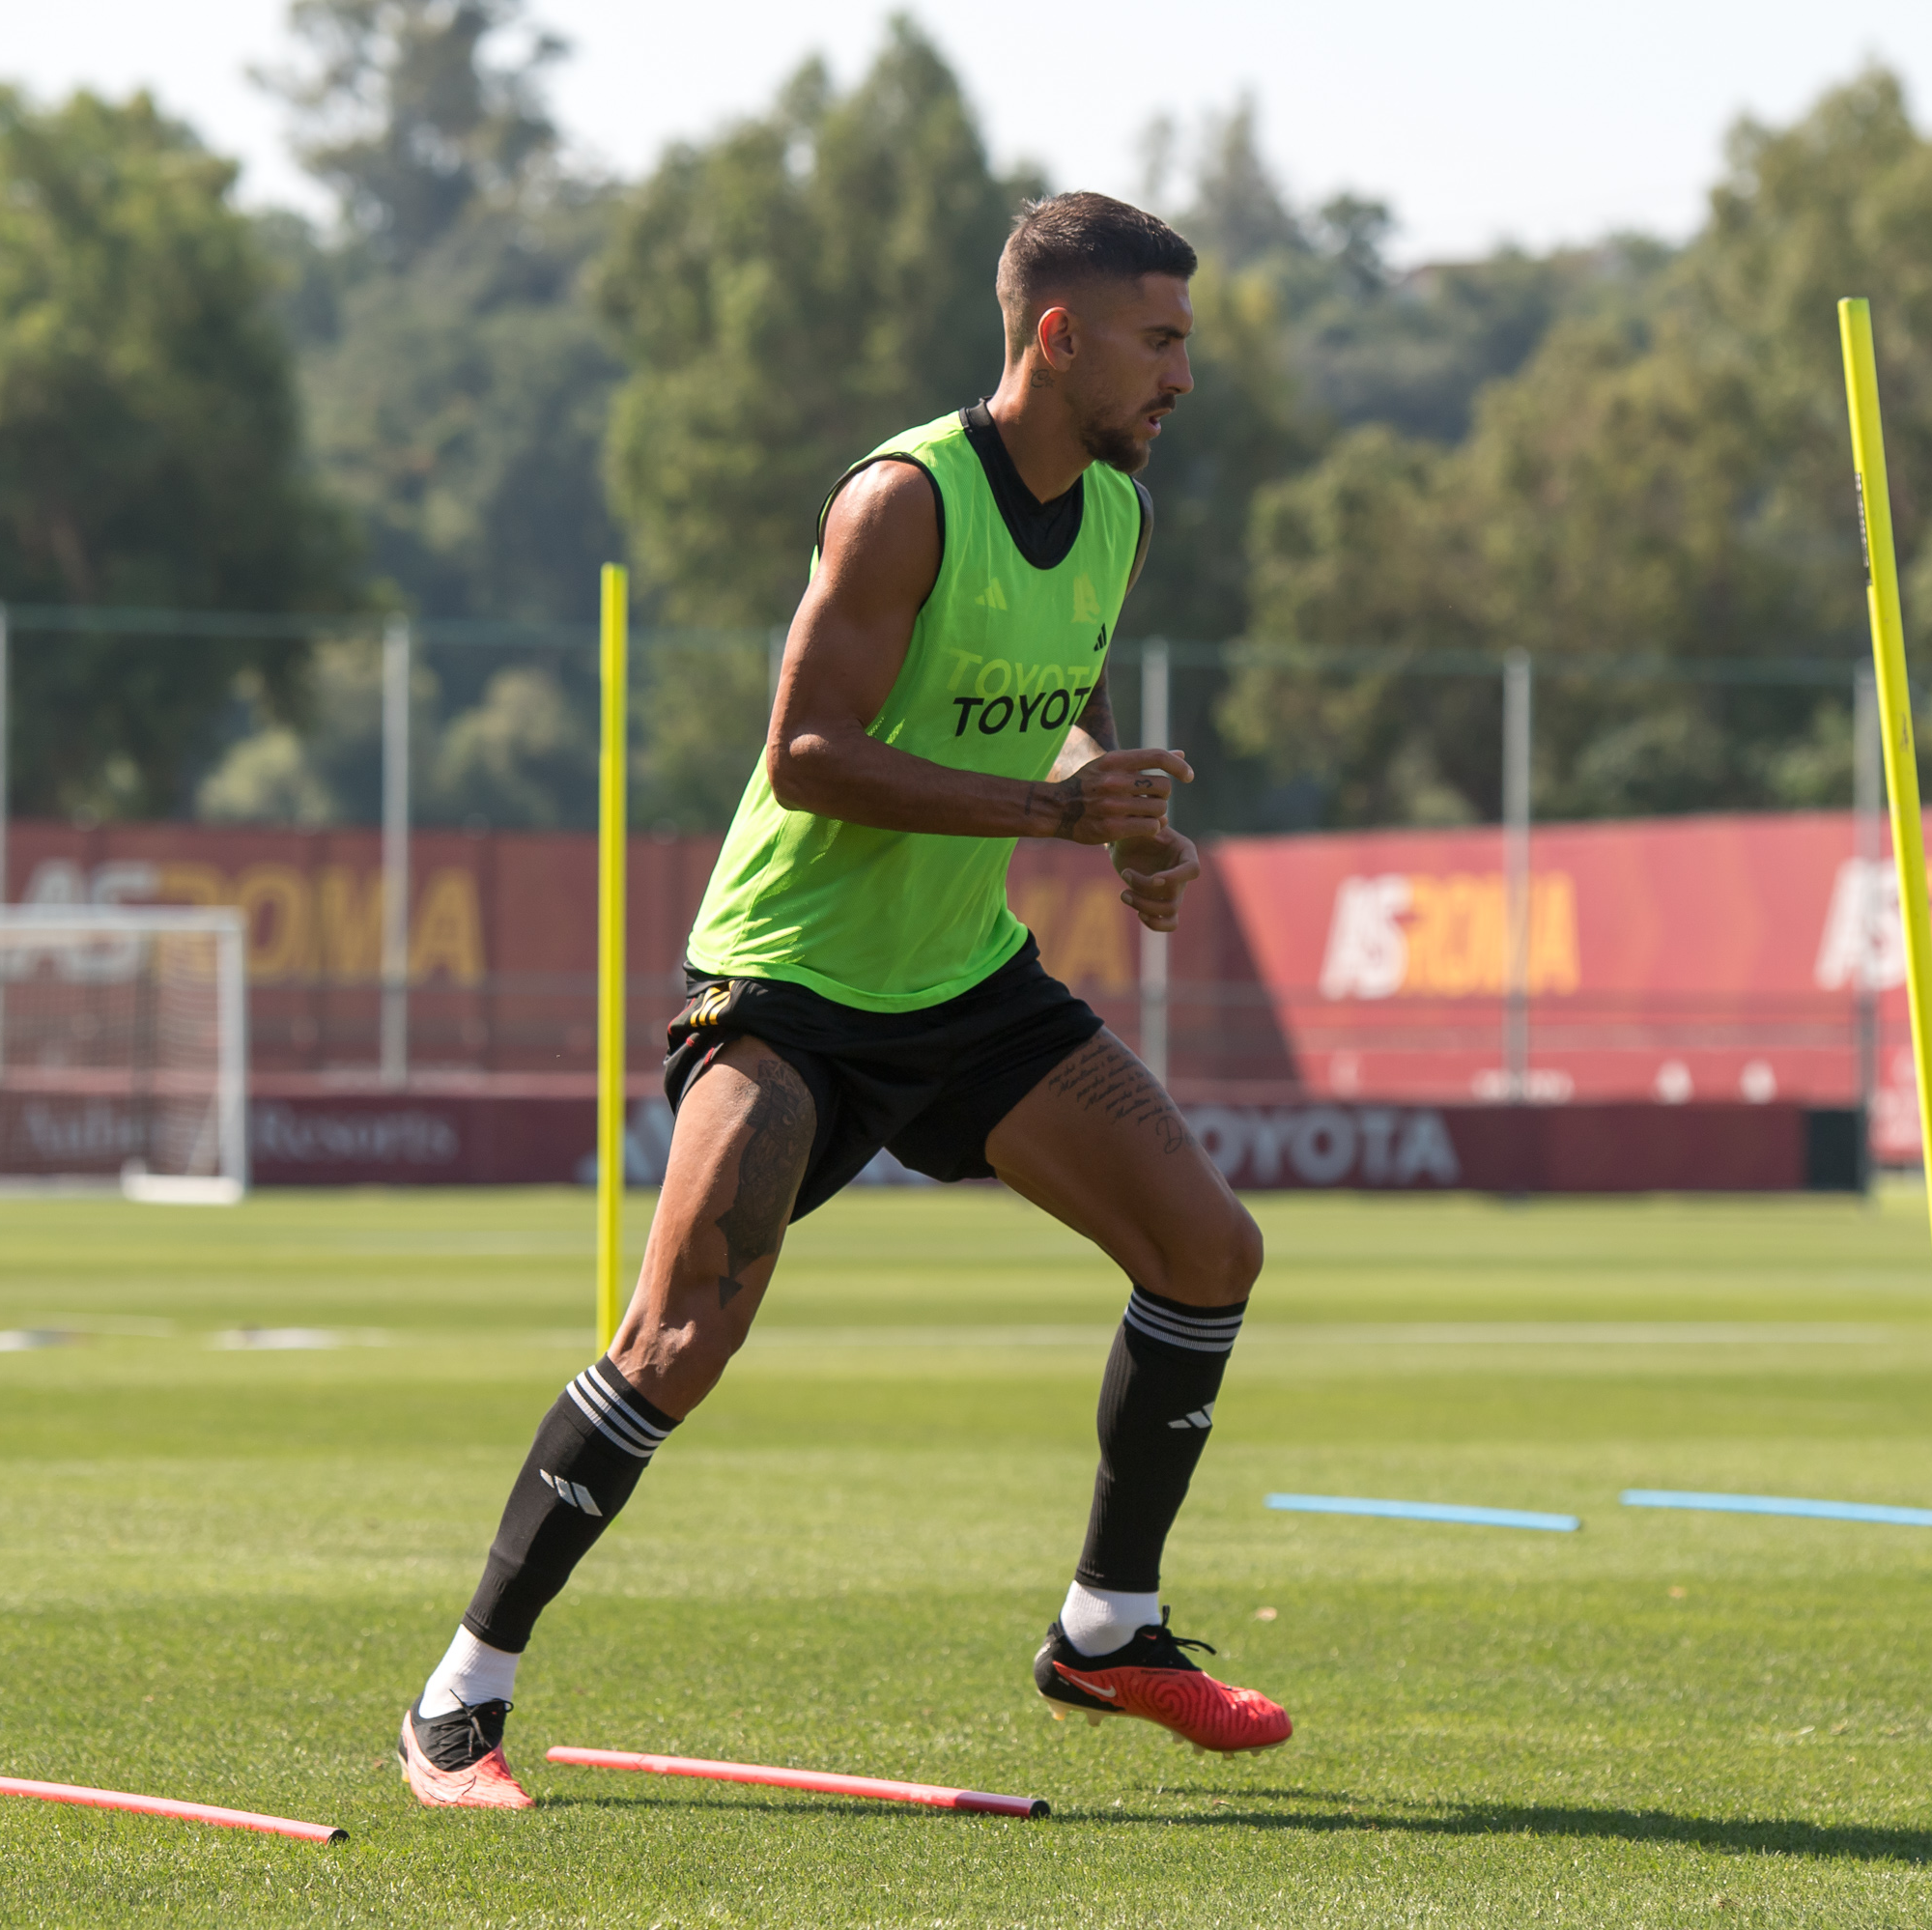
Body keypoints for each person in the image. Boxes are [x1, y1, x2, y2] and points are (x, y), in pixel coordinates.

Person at [399, 191, 1289, 1809]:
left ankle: (1109, 1624)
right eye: (1160, 342)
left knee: (1207, 1247)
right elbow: (808, 754)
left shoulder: (1114, 511)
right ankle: (461, 1697)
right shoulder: (902, 499)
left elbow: (1060, 702)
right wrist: (1052, 818)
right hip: (788, 984)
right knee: (678, 1336)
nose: (1182, 375)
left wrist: (1113, 809)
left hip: (966, 983)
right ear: (1057, 336)